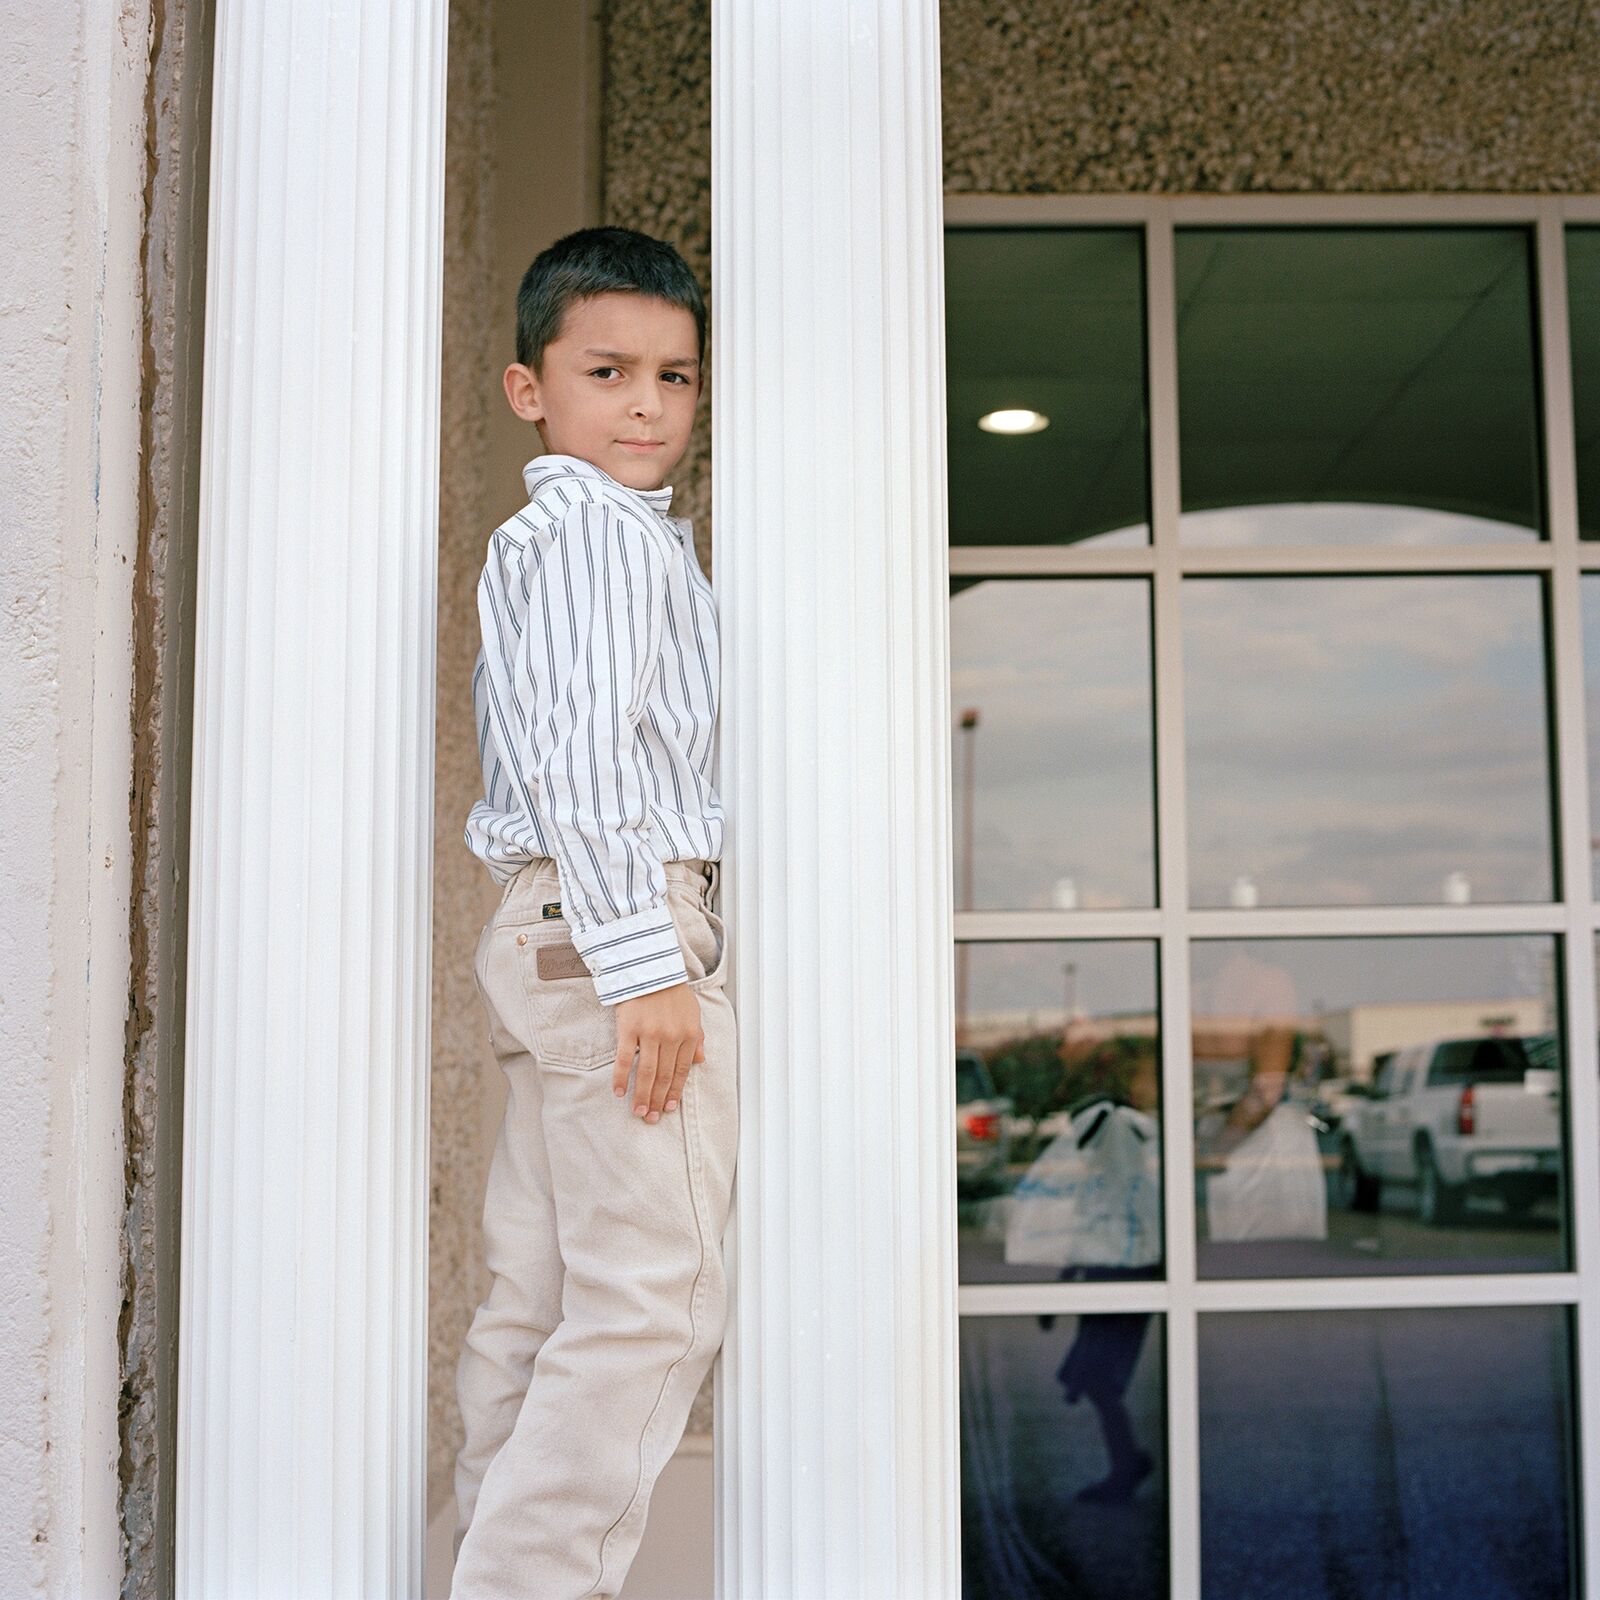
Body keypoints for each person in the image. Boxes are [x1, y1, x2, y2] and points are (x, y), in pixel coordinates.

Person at [449, 226, 736, 1600]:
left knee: (546, 1297)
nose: (644, 406)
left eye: (674, 378)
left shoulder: (612, 541)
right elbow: (580, 759)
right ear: (530, 390)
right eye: (608, 370)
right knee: (651, 1301)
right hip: (607, 927)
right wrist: (645, 965)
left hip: (558, 927)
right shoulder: (584, 540)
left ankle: (481, 1570)